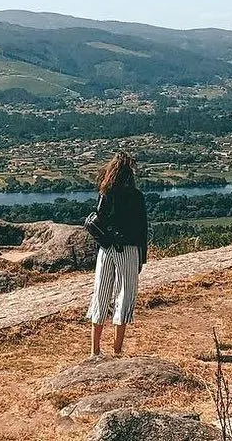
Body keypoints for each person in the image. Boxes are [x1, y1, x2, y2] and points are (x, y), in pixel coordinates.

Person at [85, 150, 148, 358]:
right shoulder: (136, 196)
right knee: (124, 296)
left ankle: (95, 351)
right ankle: (117, 350)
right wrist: (142, 259)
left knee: (100, 295)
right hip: (128, 249)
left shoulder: (106, 192)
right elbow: (142, 229)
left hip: (106, 248)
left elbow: (100, 219)